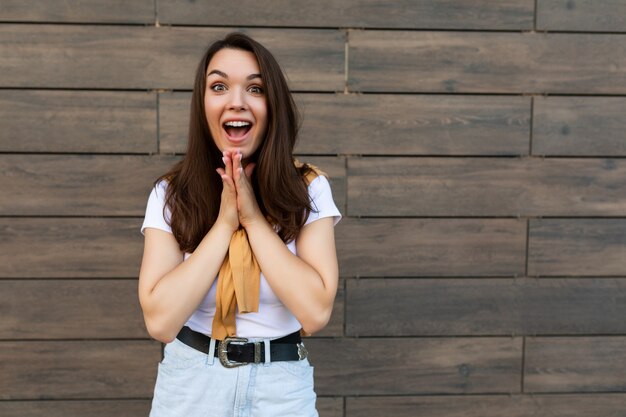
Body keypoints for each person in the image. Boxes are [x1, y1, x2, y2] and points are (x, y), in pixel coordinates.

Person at [137, 32, 341, 417]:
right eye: (219, 86)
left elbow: (315, 312)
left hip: (281, 388)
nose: (237, 101)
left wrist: (252, 219)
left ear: (272, 105)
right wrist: (225, 222)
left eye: (255, 88)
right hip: (190, 385)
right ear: (203, 103)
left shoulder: (309, 188)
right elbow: (160, 321)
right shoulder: (171, 193)